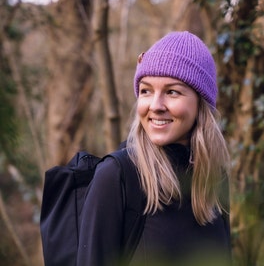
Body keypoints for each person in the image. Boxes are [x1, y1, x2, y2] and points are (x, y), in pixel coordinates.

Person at [77, 31, 231, 266]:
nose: (156, 106)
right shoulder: (118, 176)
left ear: (201, 103)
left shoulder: (215, 177)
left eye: (172, 92)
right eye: (147, 90)